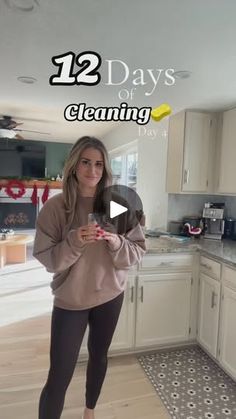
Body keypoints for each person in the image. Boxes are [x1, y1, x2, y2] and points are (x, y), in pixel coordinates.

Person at [33, 136, 146, 419]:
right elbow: (48, 259)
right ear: (74, 165)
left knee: (99, 356)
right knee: (59, 374)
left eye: (99, 164)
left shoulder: (118, 204)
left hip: (110, 295)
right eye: (86, 162)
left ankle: (89, 410)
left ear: (106, 168)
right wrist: (75, 240)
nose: (92, 170)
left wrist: (116, 242)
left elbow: (137, 250)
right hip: (71, 299)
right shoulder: (55, 208)